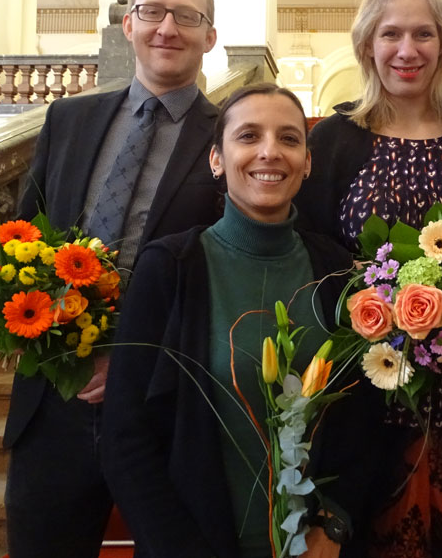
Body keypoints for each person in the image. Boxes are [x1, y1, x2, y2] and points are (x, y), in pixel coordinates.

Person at [4, 0, 223, 558]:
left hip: (163, 411)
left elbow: (220, 278)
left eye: (186, 16)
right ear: (128, 24)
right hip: (54, 402)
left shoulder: (232, 137)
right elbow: (23, 235)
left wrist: (127, 360)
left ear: (210, 34)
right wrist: (49, 342)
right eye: (151, 12)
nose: (166, 28)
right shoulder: (67, 120)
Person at [295, 0, 442, 557]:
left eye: (423, 33)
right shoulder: (334, 141)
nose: (407, 49)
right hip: (364, 400)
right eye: (391, 33)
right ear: (368, 44)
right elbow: (313, 258)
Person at [101, 83, 358, 557]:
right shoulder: (171, 268)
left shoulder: (336, 271)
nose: (269, 152)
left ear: (307, 161)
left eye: (288, 138)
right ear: (216, 160)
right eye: (248, 136)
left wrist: (336, 522)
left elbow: (366, 420)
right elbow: (125, 433)